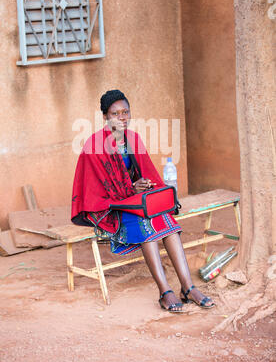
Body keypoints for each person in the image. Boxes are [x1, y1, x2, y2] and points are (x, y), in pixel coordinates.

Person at [71, 89, 215, 313]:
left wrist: (144, 185)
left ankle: (187, 287)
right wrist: (130, 189)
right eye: (115, 113)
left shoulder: (133, 139)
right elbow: (98, 191)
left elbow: (144, 172)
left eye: (125, 112)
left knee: (168, 223)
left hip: (134, 202)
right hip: (109, 207)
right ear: (105, 117)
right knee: (147, 226)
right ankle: (165, 292)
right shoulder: (94, 146)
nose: (122, 117)